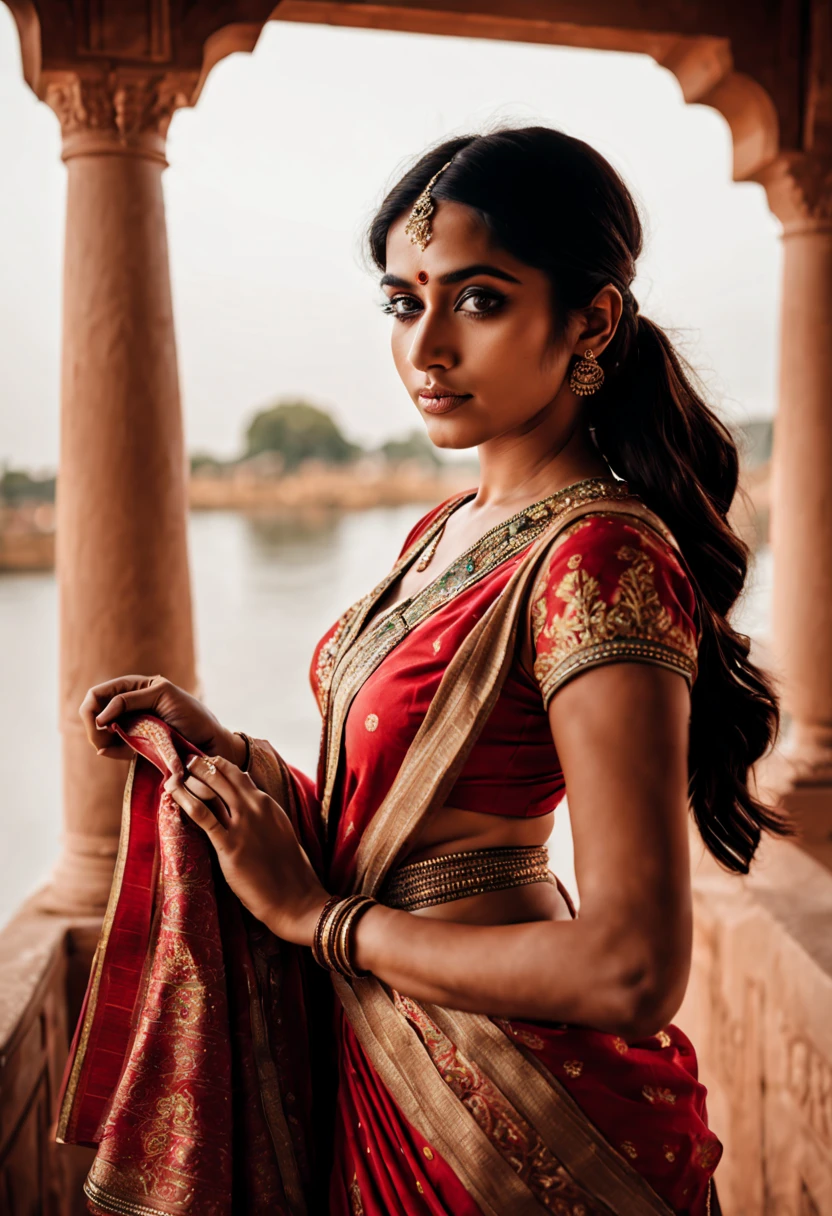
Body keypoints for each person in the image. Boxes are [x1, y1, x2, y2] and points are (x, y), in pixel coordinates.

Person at [77, 128, 785, 1215]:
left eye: (480, 300)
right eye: (405, 303)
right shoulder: (446, 530)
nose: (427, 346)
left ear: (590, 320)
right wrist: (228, 755)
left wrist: (321, 924)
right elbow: (398, 825)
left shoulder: (597, 555)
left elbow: (632, 969)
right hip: (403, 1061)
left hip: (517, 1108)